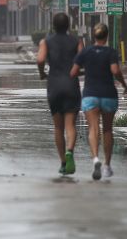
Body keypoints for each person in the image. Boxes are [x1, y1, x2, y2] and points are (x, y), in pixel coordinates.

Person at [70, 23, 127, 180]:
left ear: (93, 36)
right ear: (106, 36)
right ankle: (107, 165)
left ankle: (95, 158)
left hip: (90, 95)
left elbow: (74, 72)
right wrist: (123, 84)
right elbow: (115, 70)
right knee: (108, 130)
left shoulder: (86, 52)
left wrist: (88, 70)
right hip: (109, 94)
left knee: (93, 128)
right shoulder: (110, 52)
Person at [37, 13, 83, 175]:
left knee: (58, 127)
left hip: (54, 85)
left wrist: (42, 73)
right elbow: (81, 59)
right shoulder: (76, 41)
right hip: (71, 84)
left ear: (53, 26)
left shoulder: (46, 42)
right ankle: (70, 150)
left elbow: (41, 59)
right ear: (69, 25)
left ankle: (63, 161)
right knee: (70, 124)